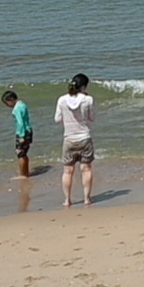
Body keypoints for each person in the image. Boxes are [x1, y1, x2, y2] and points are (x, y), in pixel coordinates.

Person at [54, 73, 96, 207]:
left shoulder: (62, 100)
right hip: (84, 137)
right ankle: (86, 199)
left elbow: (57, 119)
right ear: (83, 86)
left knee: (67, 171)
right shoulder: (88, 100)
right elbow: (92, 118)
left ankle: (67, 200)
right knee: (86, 169)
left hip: (69, 139)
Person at [2, 89, 31, 178]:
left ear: (10, 100)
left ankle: (23, 174)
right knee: (24, 153)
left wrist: (21, 136)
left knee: (20, 154)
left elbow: (20, 122)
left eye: (7, 103)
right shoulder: (23, 104)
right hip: (29, 131)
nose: (7, 106)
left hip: (22, 133)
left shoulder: (16, 109)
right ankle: (26, 172)